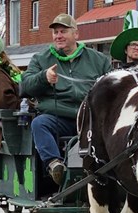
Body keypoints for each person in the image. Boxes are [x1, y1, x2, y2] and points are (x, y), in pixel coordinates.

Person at [21, 13, 111, 184]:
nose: (58, 36)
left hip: (90, 120)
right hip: (58, 118)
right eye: (55, 32)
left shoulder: (98, 60)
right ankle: (55, 165)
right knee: (39, 124)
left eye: (63, 31)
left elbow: (112, 89)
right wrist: (44, 77)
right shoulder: (41, 59)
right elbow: (25, 86)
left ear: (76, 34)